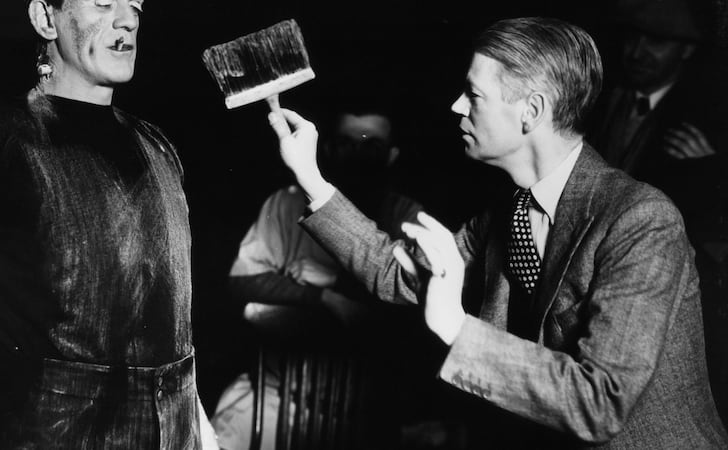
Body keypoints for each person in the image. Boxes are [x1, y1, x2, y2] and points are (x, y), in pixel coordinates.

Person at [266, 17, 728, 448]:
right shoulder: (509, 210)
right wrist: (311, 177)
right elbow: (395, 274)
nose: (456, 105)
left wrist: (455, 326)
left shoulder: (640, 220)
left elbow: (600, 401)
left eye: (474, 94)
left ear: (531, 111)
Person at [0, 0, 217, 448]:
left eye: (135, 5)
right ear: (46, 18)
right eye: (103, 2)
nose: (127, 20)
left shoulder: (158, 149)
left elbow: (171, 349)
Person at [211, 103, 424, 449]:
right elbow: (241, 282)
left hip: (359, 410)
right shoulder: (286, 204)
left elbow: (408, 317)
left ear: (391, 155)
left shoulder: (407, 217)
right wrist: (322, 297)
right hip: (279, 395)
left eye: (371, 145)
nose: (356, 155)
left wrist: (330, 281)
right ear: (328, 149)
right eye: (346, 143)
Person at [587, 0, 728, 425]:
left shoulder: (708, 118)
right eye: (633, 37)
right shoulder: (600, 98)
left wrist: (711, 169)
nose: (638, 52)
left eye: (658, 41)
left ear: (687, 50)